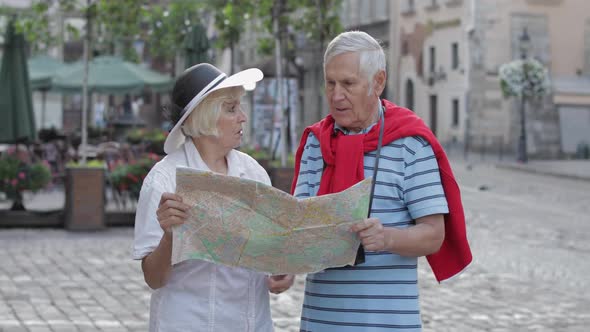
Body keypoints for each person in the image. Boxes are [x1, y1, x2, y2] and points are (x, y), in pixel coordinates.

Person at [291, 31, 472, 331]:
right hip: (321, 321)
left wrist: (387, 238)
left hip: (388, 323)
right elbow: (296, 229)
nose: (336, 95)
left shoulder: (411, 144)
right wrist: (285, 266)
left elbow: (434, 235)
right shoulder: (315, 143)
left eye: (348, 83)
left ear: (378, 82)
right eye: (331, 83)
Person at [133, 63, 294, 331]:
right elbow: (153, 278)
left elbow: (272, 256)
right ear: (204, 118)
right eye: (231, 108)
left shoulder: (254, 173)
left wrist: (282, 272)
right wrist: (170, 237)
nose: (243, 117)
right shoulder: (164, 180)